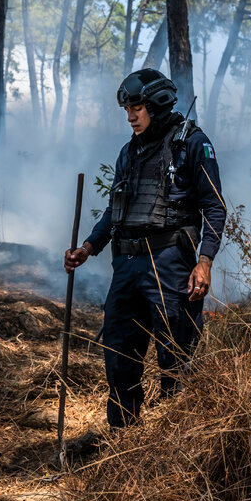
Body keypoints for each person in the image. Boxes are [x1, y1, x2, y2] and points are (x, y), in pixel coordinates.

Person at [64, 68, 226, 429]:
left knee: (176, 360)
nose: (130, 116)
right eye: (127, 110)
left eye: (136, 107)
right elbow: (114, 211)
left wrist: (205, 261)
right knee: (119, 356)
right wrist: (89, 247)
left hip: (170, 264)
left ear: (157, 103)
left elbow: (214, 206)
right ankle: (122, 443)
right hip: (126, 267)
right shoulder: (129, 152)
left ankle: (174, 452)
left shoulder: (192, 144)